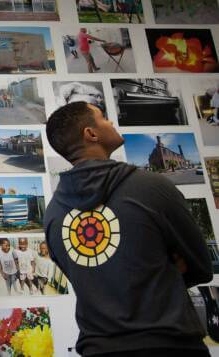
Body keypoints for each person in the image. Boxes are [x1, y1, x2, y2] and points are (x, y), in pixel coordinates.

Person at [44, 101, 213, 357]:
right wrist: (160, 270)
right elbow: (200, 265)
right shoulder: (153, 187)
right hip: (170, 343)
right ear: (91, 134)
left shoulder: (53, 214)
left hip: (98, 348)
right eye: (103, 118)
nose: (111, 122)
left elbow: (90, 279)